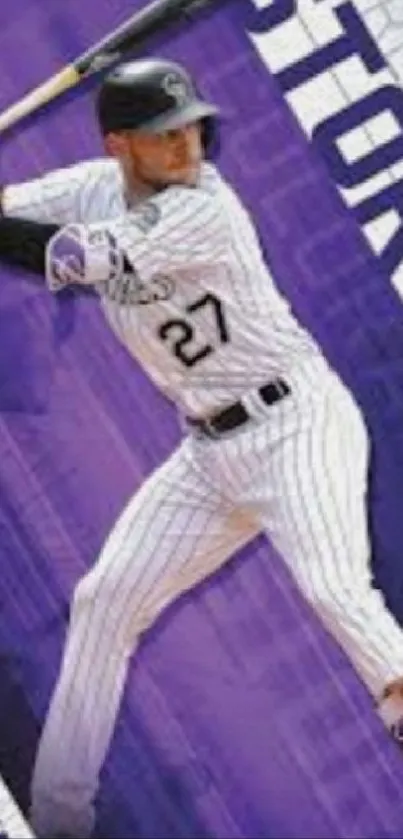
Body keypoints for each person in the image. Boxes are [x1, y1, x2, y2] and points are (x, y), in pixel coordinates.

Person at [0, 57, 402, 839]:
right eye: (161, 131)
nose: (185, 141)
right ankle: (59, 819)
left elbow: (68, 259)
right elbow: (11, 213)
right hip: (209, 456)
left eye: (190, 123)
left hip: (296, 426)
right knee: (103, 600)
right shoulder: (91, 186)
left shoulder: (205, 208)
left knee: (333, 588)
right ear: (120, 144)